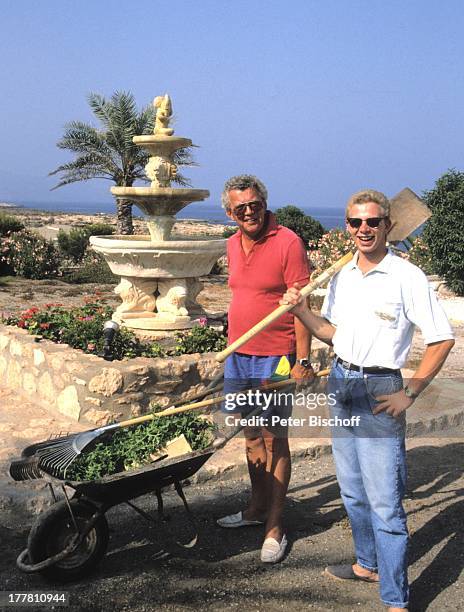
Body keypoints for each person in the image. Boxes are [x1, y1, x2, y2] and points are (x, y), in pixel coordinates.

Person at [280, 189, 454, 611]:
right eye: (355, 223)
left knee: (385, 502)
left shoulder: (405, 276)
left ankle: (396, 599)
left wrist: (409, 393)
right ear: (347, 227)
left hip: (380, 390)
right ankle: (367, 563)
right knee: (353, 492)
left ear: (387, 226)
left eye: (372, 222)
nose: (363, 229)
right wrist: (302, 311)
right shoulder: (342, 275)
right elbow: (332, 333)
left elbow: (442, 338)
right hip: (341, 383)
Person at [217, 174, 314, 563]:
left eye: (254, 204)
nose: (248, 212)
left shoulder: (288, 241)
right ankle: (255, 509)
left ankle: (275, 526)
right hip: (238, 354)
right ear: (230, 212)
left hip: (277, 357)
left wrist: (303, 361)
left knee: (276, 438)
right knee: (251, 434)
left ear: (264, 203)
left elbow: (301, 306)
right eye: (240, 208)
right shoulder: (231, 244)